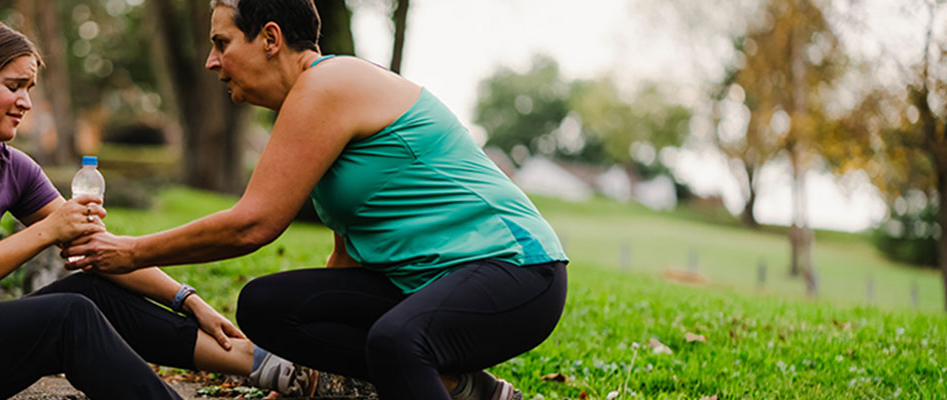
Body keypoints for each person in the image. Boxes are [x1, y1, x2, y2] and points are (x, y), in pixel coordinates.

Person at [65, 0, 569, 399]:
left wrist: (131, 251)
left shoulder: (328, 82)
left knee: (397, 341)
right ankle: (461, 390)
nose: (211, 60)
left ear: (270, 39)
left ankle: (440, 382)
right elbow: (347, 259)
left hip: (516, 270)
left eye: (221, 42)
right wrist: (307, 377)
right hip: (427, 285)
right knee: (268, 307)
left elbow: (253, 225)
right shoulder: (315, 101)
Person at [0, 17, 269, 399]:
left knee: (92, 291)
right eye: (14, 86)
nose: (26, 102)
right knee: (67, 315)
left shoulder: (10, 166)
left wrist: (187, 299)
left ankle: (264, 364)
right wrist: (45, 231)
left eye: (29, 87)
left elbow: (96, 248)